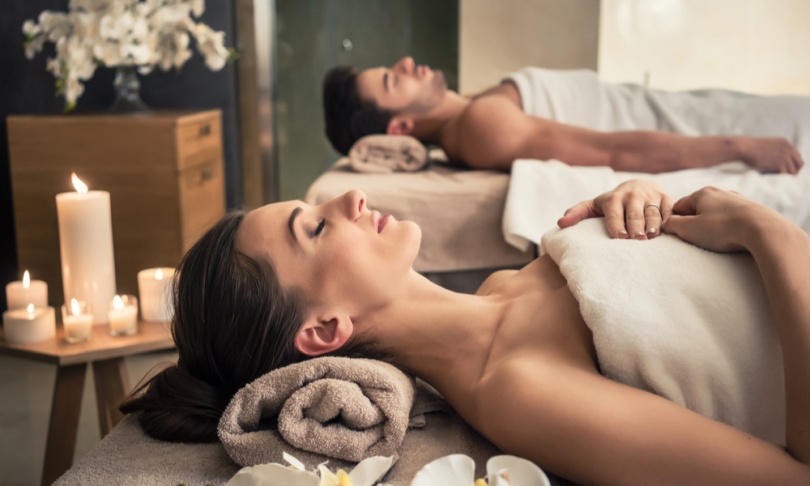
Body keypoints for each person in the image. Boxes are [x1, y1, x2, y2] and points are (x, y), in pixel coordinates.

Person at [121, 180, 810, 484]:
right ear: (325, 329)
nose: (351, 197)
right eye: (320, 226)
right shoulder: (517, 391)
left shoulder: (502, 288)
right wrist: (767, 232)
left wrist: (641, 203)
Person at [322, 57, 806, 174]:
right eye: (393, 80)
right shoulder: (481, 128)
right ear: (401, 127)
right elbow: (612, 151)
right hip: (710, 133)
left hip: (693, 110)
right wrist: (740, 146)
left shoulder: (473, 107)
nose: (406, 63)